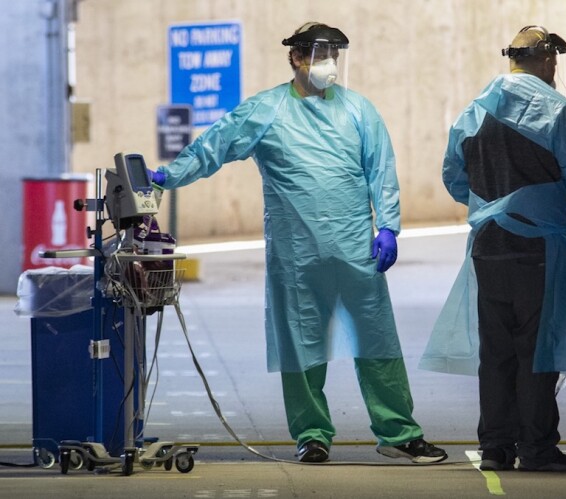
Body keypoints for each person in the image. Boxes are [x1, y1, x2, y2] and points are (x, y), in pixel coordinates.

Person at [149, 22, 446, 465]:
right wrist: (169, 176)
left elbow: (381, 170)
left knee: (376, 339)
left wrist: (388, 226)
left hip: (354, 250)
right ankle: (311, 434)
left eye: (332, 55)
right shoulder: (265, 111)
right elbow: (215, 145)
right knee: (301, 342)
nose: (327, 64)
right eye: (317, 54)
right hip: (296, 254)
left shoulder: (359, 111)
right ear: (295, 57)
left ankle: (399, 432)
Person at [420, 25, 566, 472]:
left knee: (495, 351)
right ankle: (537, 448)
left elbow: (454, 179)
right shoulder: (559, 111)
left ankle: (497, 447)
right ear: (547, 60)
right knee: (537, 349)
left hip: (487, 246)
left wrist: (491, 203)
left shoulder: (473, 112)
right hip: (537, 248)